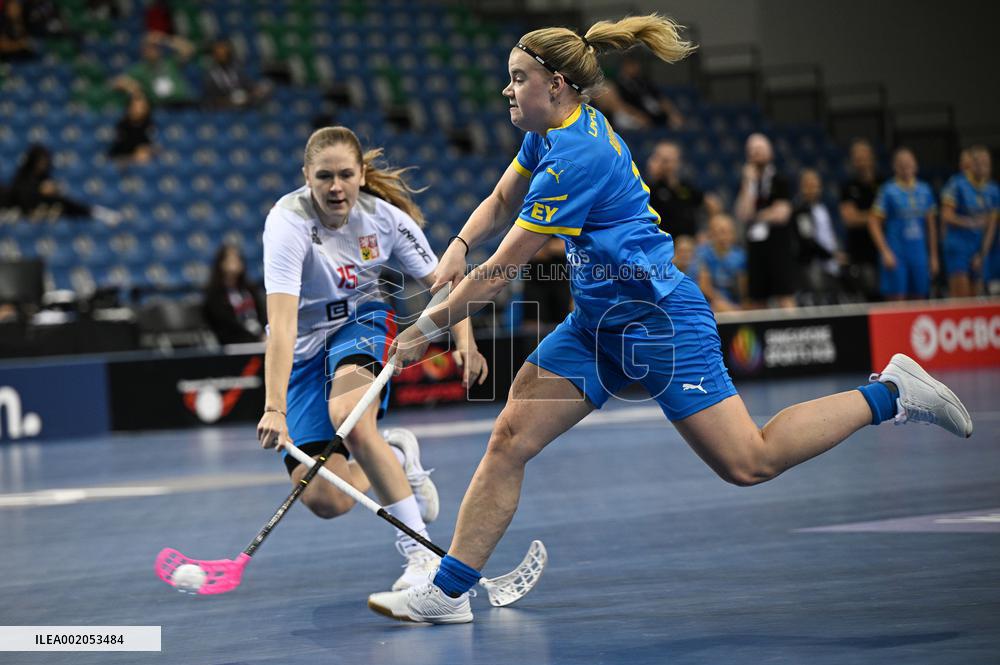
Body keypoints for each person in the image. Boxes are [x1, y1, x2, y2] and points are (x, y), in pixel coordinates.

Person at [366, 14, 973, 625]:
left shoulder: (576, 156)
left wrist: (425, 331)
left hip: (659, 324)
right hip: (598, 324)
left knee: (749, 462)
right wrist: (458, 246)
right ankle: (447, 593)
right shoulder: (550, 128)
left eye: (517, 78)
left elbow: (504, 271)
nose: (507, 90)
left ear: (555, 84)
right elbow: (500, 202)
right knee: (509, 439)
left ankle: (891, 393)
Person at [255, 126, 489, 592]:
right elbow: (280, 326)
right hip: (302, 349)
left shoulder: (386, 219)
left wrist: (465, 337)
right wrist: (275, 407)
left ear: (361, 174)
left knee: (351, 417)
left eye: (345, 174)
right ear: (306, 176)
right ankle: (396, 456)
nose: (335, 186)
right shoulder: (286, 223)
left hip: (358, 324)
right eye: (324, 176)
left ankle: (421, 555)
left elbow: (440, 281)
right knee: (327, 498)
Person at [735, 133, 797, 309]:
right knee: (757, 300)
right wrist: (749, 183)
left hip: (778, 246)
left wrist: (756, 216)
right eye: (752, 150)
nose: (756, 153)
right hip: (755, 247)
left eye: (760, 149)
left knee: (784, 296)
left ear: (770, 153)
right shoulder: (747, 183)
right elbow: (742, 214)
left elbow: (781, 215)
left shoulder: (780, 180)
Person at [868, 148, 939, 301]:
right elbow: (873, 222)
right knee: (896, 299)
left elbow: (931, 227)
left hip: (919, 253)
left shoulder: (925, 190)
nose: (906, 167)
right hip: (897, 252)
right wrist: (885, 251)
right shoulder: (888, 190)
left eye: (909, 163)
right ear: (895, 167)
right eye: (901, 164)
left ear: (915, 165)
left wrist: (933, 256)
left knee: (920, 296)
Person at [7, 144, 121, 225]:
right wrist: (38, 189)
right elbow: (19, 194)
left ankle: (96, 212)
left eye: (45, 161)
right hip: (24, 211)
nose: (42, 165)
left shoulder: (45, 177)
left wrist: (53, 189)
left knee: (66, 203)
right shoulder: (22, 176)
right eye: (40, 161)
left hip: (47, 210)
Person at [940, 146, 999, 297]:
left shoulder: (993, 190)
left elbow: (991, 226)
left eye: (986, 163)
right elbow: (946, 216)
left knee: (976, 296)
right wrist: (971, 223)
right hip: (958, 245)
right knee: (961, 296)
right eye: (978, 163)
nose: (982, 167)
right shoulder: (956, 184)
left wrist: (982, 253)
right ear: (970, 164)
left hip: (978, 245)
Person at [646, 139, 721, 242]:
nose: (667, 164)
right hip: (662, 244)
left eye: (671, 159)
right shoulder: (651, 188)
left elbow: (712, 204)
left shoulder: (685, 187)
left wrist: (709, 233)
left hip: (688, 246)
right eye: (663, 160)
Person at [839, 139, 882, 302]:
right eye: (857, 158)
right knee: (866, 296)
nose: (861, 161)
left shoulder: (884, 183)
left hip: (885, 249)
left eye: (863, 157)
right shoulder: (848, 187)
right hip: (860, 252)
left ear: (872, 158)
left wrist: (864, 216)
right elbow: (850, 219)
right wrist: (877, 217)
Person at [793, 168, 843, 304]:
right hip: (812, 264)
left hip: (829, 263)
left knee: (834, 299)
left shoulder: (822, 208)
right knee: (818, 300)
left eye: (815, 185)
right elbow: (807, 239)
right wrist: (831, 255)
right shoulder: (800, 210)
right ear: (801, 187)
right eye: (808, 185)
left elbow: (828, 235)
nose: (812, 189)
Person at [111, 31, 196, 108]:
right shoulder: (139, 69)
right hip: (161, 106)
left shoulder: (171, 62)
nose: (152, 51)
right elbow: (118, 82)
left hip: (182, 102)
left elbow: (189, 49)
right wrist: (134, 89)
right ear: (143, 51)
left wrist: (164, 40)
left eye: (155, 48)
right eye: (148, 48)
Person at [202, 243, 266, 345]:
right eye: (230, 260)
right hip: (235, 343)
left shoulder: (250, 290)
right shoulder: (214, 295)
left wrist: (263, 334)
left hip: (260, 339)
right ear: (221, 263)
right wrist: (253, 337)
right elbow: (224, 324)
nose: (235, 263)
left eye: (237, 259)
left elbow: (262, 314)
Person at [613, 53, 684, 129]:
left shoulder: (644, 80)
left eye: (636, 64)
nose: (635, 67)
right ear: (624, 66)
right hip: (636, 115)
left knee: (676, 122)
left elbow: (661, 98)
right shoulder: (618, 84)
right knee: (622, 119)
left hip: (656, 115)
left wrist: (672, 113)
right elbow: (619, 104)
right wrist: (637, 115)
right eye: (631, 65)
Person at [697, 213, 747, 312]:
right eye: (721, 232)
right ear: (711, 233)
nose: (725, 236)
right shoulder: (703, 253)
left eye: (729, 232)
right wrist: (724, 304)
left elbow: (743, 288)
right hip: (709, 301)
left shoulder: (740, 256)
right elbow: (704, 286)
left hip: (734, 302)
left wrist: (743, 305)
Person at [202, 38, 270, 109]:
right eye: (219, 53)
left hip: (244, 104)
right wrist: (230, 101)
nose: (222, 55)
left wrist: (254, 93)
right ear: (214, 55)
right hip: (223, 108)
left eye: (225, 52)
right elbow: (210, 98)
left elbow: (249, 85)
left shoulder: (237, 69)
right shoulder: (210, 75)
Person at [108, 93, 155, 163]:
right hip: (126, 162)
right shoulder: (122, 126)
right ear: (129, 108)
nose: (138, 110)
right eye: (135, 107)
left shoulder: (151, 125)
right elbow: (115, 153)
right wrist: (134, 157)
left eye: (142, 107)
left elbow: (156, 147)